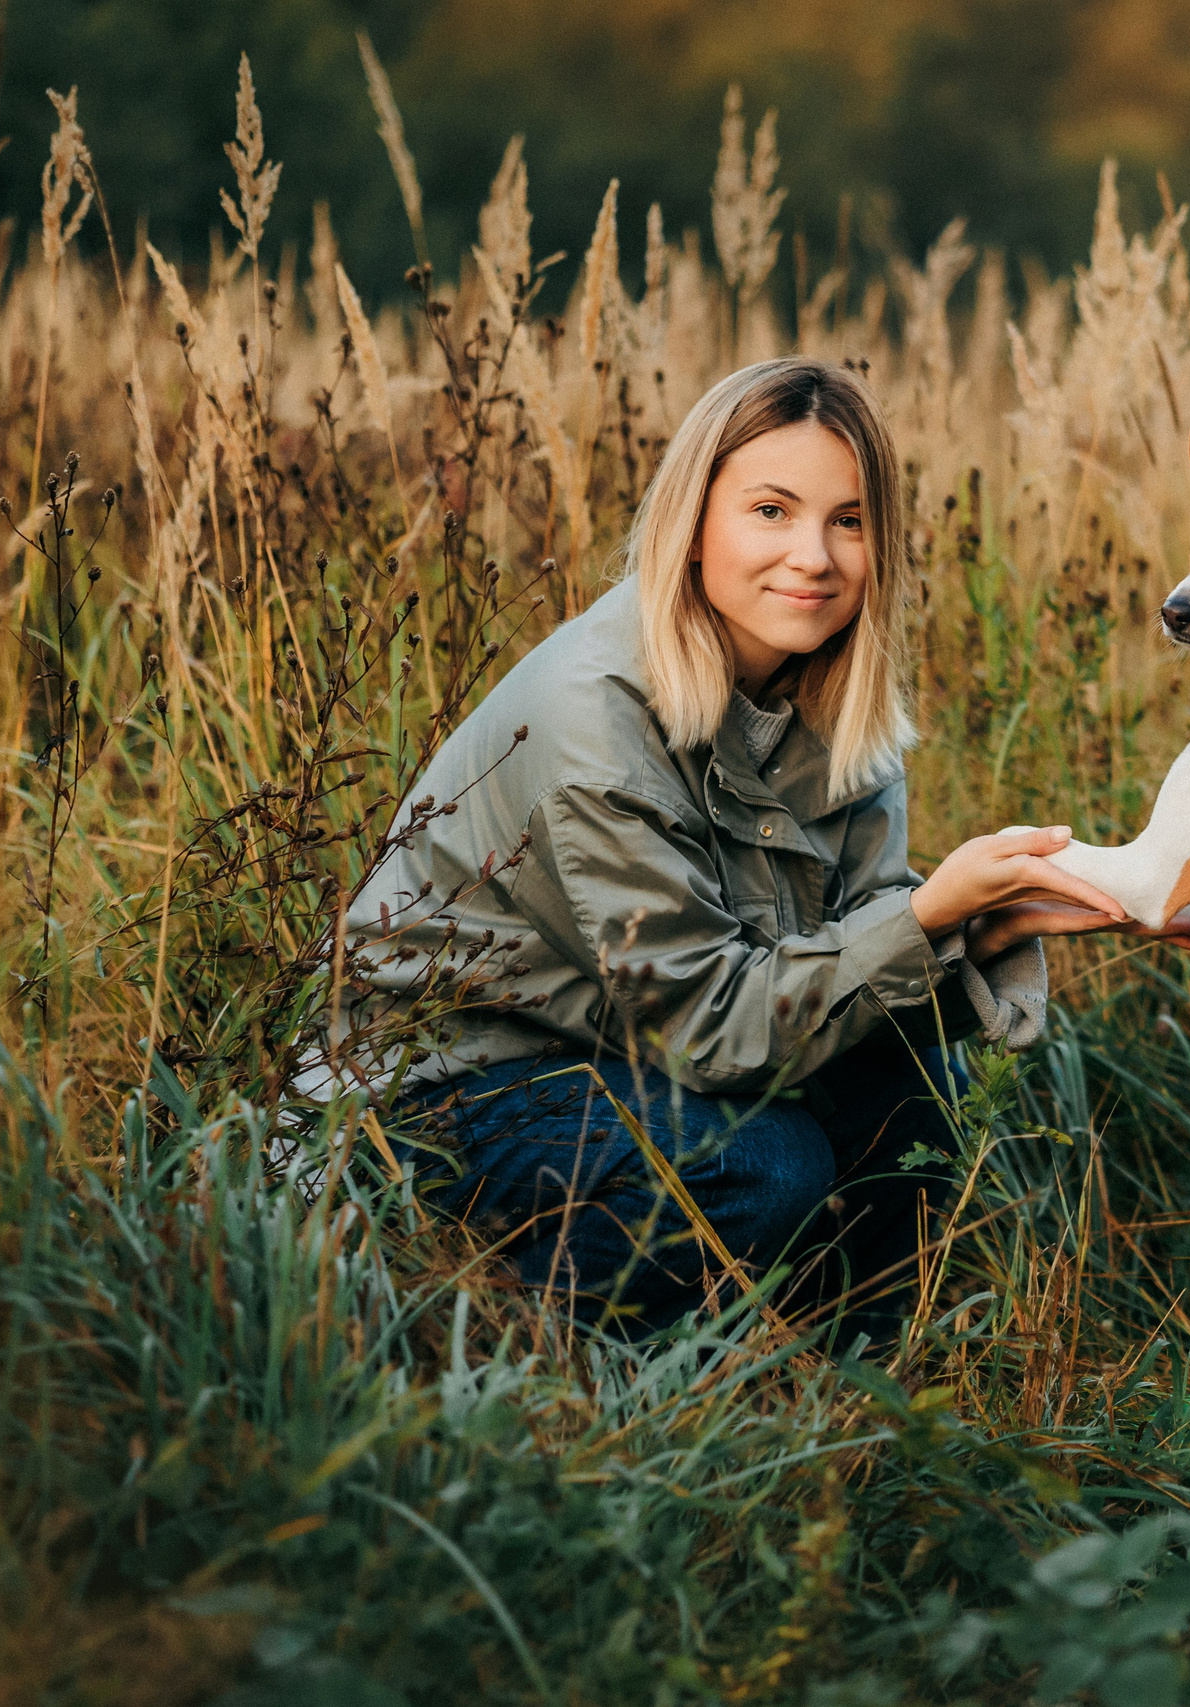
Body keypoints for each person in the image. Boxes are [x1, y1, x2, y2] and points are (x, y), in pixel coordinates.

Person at [332, 356, 1135, 1334]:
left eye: (850, 520)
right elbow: (710, 1028)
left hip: (618, 1047)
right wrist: (926, 917)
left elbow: (842, 967)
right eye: (771, 510)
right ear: (695, 520)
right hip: (433, 1089)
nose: (816, 557)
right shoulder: (595, 722)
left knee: (904, 1097)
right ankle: (499, 1359)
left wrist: (983, 924)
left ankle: (828, 1413)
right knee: (760, 1168)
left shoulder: (843, 710)